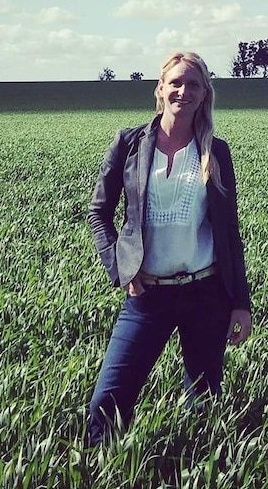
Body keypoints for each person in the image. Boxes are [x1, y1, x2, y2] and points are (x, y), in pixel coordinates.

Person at [86, 51, 252, 445]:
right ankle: (98, 469)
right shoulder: (129, 144)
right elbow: (98, 213)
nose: (183, 90)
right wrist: (122, 269)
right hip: (147, 297)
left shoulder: (216, 150)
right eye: (175, 82)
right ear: (160, 89)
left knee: (203, 403)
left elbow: (229, 231)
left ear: (205, 93)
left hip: (206, 294)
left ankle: (195, 468)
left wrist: (240, 302)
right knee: (107, 401)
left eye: (193, 84)